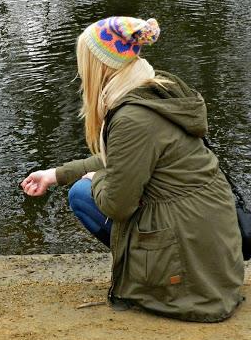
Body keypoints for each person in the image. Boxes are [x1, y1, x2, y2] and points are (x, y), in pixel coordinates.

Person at [21, 16, 244, 322]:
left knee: (84, 195)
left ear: (100, 66)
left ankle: (151, 282)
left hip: (193, 281)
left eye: (83, 62)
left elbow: (117, 204)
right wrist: (56, 174)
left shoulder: (132, 117)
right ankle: (150, 270)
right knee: (83, 186)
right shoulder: (156, 89)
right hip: (207, 241)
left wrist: (96, 177)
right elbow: (125, 160)